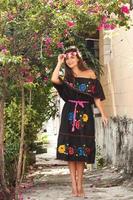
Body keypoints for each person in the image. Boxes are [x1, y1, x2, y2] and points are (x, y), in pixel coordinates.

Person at [51, 46, 108, 197]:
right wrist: (59, 62)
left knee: (81, 151)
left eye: (72, 58)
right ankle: (74, 186)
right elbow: (54, 79)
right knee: (71, 151)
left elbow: (96, 97)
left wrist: (103, 114)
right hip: (69, 113)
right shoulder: (68, 77)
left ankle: (81, 185)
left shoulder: (90, 73)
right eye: (67, 59)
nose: (69, 61)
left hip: (85, 115)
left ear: (78, 58)